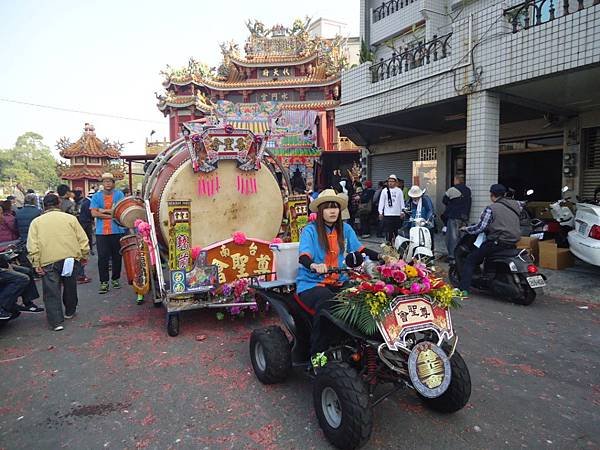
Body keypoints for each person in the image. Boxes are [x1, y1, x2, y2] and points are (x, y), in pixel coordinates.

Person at [296, 189, 380, 363]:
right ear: (320, 211)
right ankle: (318, 355)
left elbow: (360, 250)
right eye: (327, 208)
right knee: (329, 304)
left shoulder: (346, 229)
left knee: (368, 297)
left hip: (341, 281)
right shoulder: (310, 231)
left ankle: (366, 349)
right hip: (312, 283)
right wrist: (313, 265)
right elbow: (304, 256)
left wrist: (383, 257)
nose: (332, 211)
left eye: (335, 207)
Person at [27, 194, 90, 331]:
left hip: (48, 260)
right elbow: (82, 239)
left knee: (51, 291)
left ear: (44, 205)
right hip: (69, 258)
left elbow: (32, 245)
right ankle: (70, 310)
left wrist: (36, 263)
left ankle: (56, 321)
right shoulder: (70, 219)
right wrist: (84, 254)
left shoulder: (36, 222)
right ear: (59, 203)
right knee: (70, 285)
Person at [458, 184, 522, 294]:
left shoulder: (491, 209)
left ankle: (463, 290)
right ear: (505, 194)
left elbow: (480, 227)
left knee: (471, 259)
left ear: (492, 195)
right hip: (513, 241)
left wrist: (466, 229)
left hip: (498, 242)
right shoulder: (516, 205)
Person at [91, 173, 126, 294]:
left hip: (117, 230)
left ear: (113, 183)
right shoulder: (96, 196)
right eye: (105, 181)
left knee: (117, 256)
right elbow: (94, 214)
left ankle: (115, 279)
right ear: (102, 183)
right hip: (101, 232)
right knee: (102, 258)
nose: (107, 184)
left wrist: (103, 211)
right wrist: (111, 213)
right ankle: (104, 282)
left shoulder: (119, 194)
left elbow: (120, 212)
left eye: (110, 181)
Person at [442, 175, 471, 264]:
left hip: (454, 216)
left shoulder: (452, 189)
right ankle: (461, 255)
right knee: (462, 237)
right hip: (465, 217)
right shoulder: (468, 190)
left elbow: (444, 200)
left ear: (457, 180)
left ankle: (453, 257)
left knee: (452, 237)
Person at [378, 174, 405, 244]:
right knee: (389, 232)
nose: (390, 183)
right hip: (388, 214)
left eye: (392, 181)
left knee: (396, 232)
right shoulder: (384, 191)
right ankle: (389, 246)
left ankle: (397, 246)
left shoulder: (399, 191)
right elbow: (381, 202)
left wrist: (402, 211)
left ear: (395, 182)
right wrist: (380, 212)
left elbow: (402, 202)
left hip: (397, 214)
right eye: (389, 181)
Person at [78, 189, 95, 255]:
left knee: (83, 236)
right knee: (88, 236)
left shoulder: (84, 201)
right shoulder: (89, 202)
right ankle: (89, 249)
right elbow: (90, 213)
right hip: (87, 221)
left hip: (82, 221)